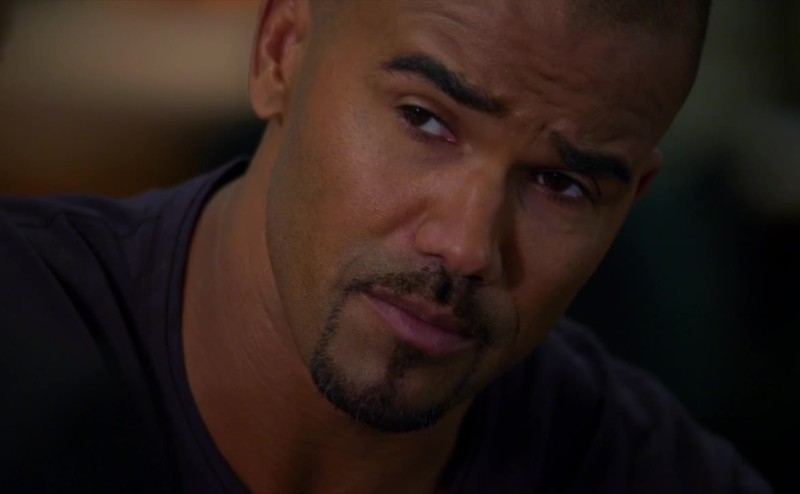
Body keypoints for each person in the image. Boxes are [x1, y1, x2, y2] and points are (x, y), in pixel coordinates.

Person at [0, 0, 773, 492]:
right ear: (280, 52)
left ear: (629, 203)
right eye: (424, 120)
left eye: (560, 185)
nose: (466, 248)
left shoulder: (638, 469)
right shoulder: (22, 334)